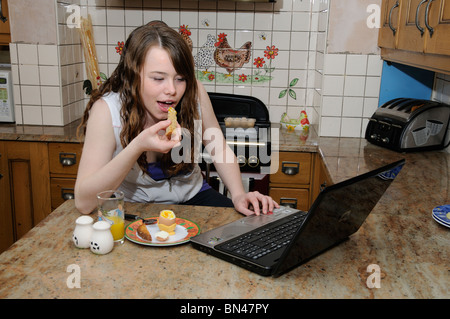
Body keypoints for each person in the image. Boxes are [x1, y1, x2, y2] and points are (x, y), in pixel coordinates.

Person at [74, 22, 279, 216]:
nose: (172, 90)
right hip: (134, 206)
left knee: (249, 228)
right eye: (158, 78)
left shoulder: (195, 92)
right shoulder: (106, 110)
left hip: (194, 196)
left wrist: (238, 194)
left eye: (180, 79)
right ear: (133, 76)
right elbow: (84, 203)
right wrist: (137, 146)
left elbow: (219, 147)